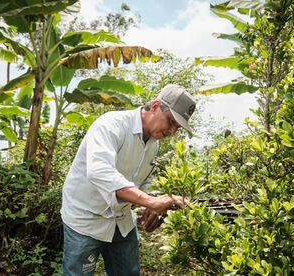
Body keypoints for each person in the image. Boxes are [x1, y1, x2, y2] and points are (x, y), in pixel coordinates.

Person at [60, 84, 197, 275]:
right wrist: (151, 201)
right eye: (171, 121)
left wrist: (151, 203)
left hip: (121, 220)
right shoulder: (111, 125)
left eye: (177, 128)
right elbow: (100, 172)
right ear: (156, 106)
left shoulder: (153, 144)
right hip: (86, 217)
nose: (172, 131)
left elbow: (144, 178)